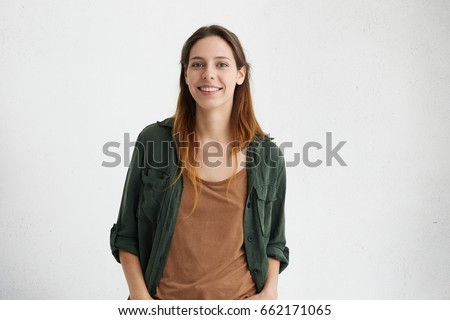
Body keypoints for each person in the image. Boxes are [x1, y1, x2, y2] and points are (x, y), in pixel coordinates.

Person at [110, 25, 289, 300]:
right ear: (185, 74)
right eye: (197, 64)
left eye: (222, 64)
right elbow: (126, 233)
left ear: (240, 74)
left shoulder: (268, 155)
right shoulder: (154, 142)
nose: (209, 74)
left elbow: (274, 241)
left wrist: (269, 293)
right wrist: (141, 300)